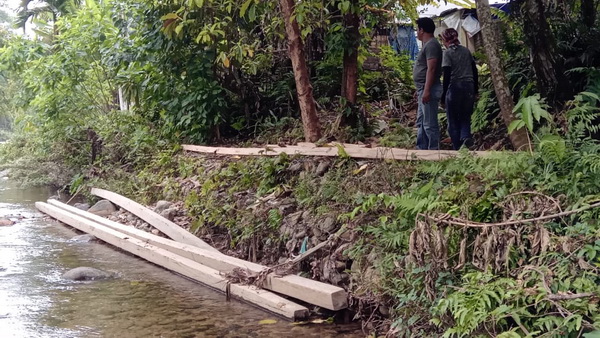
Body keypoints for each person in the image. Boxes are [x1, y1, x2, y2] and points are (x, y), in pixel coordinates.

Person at [440, 28, 479, 150]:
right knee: (465, 116)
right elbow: (474, 70)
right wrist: (476, 90)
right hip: (469, 87)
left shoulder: (447, 53)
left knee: (453, 119)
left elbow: (447, 74)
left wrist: (443, 95)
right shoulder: (466, 51)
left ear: (445, 40)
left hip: (454, 88)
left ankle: (458, 148)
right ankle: (466, 137)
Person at [413, 17, 443, 150]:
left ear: (422, 30)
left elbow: (431, 69)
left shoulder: (431, 45)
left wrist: (426, 90)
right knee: (421, 121)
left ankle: (433, 151)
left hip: (429, 89)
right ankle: (422, 149)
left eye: (417, 29)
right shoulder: (427, 45)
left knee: (429, 123)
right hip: (423, 89)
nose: (416, 32)